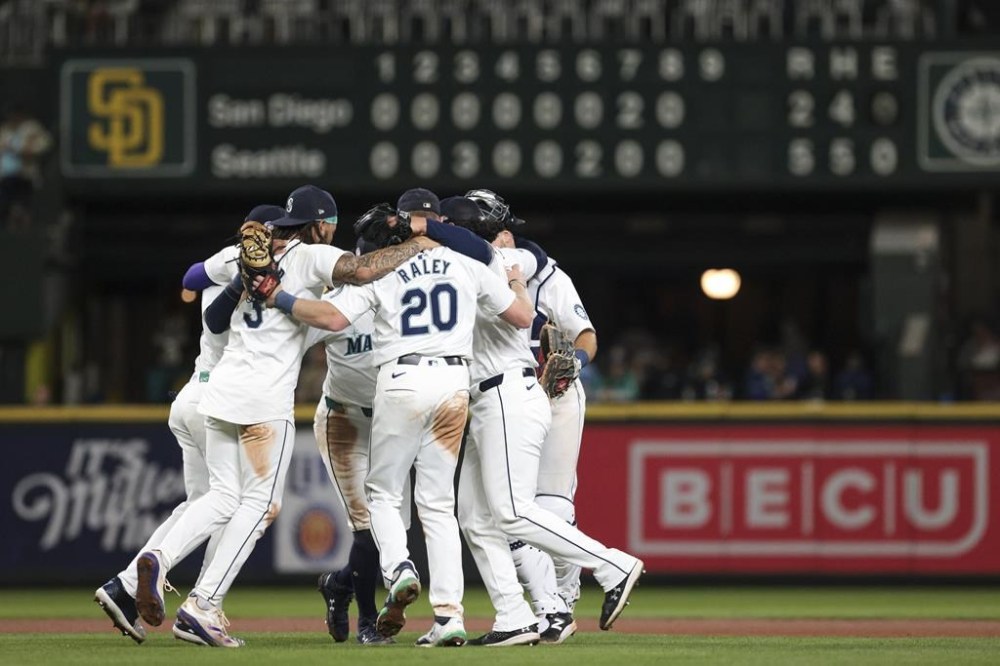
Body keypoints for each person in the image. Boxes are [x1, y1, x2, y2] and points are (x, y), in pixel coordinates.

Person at [131, 185, 434, 648]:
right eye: (328, 224)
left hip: (220, 392)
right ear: (318, 224)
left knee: (221, 497)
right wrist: (418, 243)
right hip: (265, 400)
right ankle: (203, 605)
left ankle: (156, 558)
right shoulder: (311, 256)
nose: (330, 231)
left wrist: (234, 279)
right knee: (259, 506)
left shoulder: (240, 254)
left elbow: (208, 310)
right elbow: (361, 268)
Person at [262, 187, 535, 647]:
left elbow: (329, 318)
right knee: (438, 506)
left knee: (384, 495)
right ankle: (449, 617)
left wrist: (281, 299)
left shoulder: (384, 271)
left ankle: (400, 569)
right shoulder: (469, 265)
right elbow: (521, 317)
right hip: (454, 385)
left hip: (402, 382)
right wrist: (513, 275)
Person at [444, 190, 644, 643]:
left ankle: (593, 580)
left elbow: (583, 334)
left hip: (539, 391)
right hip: (492, 395)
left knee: (535, 506)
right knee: (478, 515)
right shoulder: (476, 265)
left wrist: (574, 360)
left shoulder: (517, 264)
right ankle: (529, 614)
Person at [93, 204, 284, 645]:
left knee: (198, 505)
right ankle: (201, 601)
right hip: (223, 401)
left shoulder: (224, 260)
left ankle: (123, 586)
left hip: (192, 395)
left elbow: (190, 277)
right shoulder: (266, 273)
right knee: (235, 502)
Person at [311, 207, 409, 647]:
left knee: (392, 533)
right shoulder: (338, 293)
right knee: (368, 527)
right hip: (343, 420)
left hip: (390, 421)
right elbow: (290, 340)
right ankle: (369, 622)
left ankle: (340, 585)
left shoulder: (405, 289)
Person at [0, 104, 52, 230]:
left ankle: (25, 232)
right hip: (5, 177)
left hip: (24, 174)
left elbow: (45, 144)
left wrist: (24, 150)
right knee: (6, 206)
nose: (14, 118)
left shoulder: (31, 129)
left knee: (23, 206)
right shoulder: (5, 130)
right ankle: (8, 230)